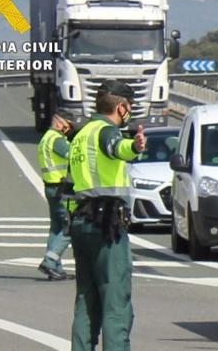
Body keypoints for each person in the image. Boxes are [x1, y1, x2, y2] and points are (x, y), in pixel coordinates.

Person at [68, 80, 146, 351]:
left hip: (81, 222)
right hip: (107, 224)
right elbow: (117, 147)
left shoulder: (81, 135)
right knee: (116, 302)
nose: (131, 111)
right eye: (130, 107)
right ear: (121, 107)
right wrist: (134, 147)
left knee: (87, 301)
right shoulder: (105, 131)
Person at [37, 113, 73, 281]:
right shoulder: (56, 139)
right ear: (59, 123)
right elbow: (72, 156)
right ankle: (50, 262)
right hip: (60, 187)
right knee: (69, 226)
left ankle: (56, 268)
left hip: (50, 186)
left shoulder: (46, 138)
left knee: (56, 228)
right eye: (67, 124)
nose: (69, 128)